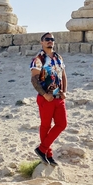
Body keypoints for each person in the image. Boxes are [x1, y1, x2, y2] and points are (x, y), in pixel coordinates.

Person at [30, 32, 68, 166]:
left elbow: (63, 75)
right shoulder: (39, 59)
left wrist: (64, 91)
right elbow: (34, 79)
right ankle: (48, 154)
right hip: (45, 98)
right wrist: (45, 94)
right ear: (42, 42)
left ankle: (42, 149)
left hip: (59, 97)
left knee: (62, 124)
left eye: (52, 39)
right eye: (47, 39)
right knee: (46, 126)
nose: (50, 41)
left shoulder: (58, 57)